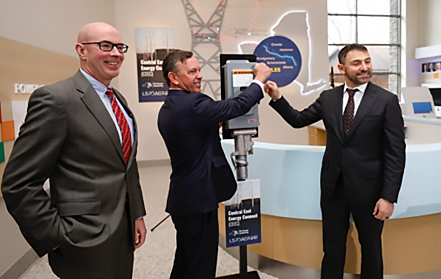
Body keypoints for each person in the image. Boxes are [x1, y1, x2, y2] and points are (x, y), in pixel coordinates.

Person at [1, 22, 147, 279]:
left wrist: (136, 214)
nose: (116, 53)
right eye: (105, 46)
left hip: (123, 233)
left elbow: (127, 165)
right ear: (82, 50)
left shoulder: (118, 100)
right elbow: (18, 183)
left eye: (120, 47)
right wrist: (57, 237)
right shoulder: (56, 99)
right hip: (82, 239)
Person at [265, 44, 405, 279]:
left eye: (367, 61)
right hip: (333, 187)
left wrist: (388, 197)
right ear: (341, 67)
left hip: (370, 190)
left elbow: (396, 153)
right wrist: (278, 98)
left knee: (371, 250)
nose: (364, 67)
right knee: (332, 249)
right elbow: (299, 120)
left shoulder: (386, 100)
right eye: (357, 63)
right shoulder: (328, 98)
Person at [157, 49, 271, 279]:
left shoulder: (170, 107)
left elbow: (195, 133)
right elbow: (237, 106)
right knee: (201, 266)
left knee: (186, 261)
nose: (199, 75)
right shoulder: (193, 103)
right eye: (192, 71)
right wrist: (258, 80)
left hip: (185, 199)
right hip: (198, 200)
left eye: (199, 70)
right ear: (174, 77)